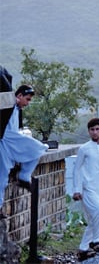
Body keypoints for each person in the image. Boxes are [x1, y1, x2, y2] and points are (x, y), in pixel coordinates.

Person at [0, 85, 49, 215]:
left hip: (12, 142)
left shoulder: (17, 109)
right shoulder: (8, 105)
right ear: (19, 96)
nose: (27, 103)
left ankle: (23, 175)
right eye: (27, 99)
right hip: (5, 141)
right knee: (2, 177)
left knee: (38, 149)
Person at [72, 118, 99, 261]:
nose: (95, 132)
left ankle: (83, 249)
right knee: (98, 211)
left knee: (96, 218)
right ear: (89, 131)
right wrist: (77, 189)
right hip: (87, 188)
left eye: (97, 129)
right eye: (92, 130)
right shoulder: (84, 148)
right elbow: (76, 170)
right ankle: (96, 241)